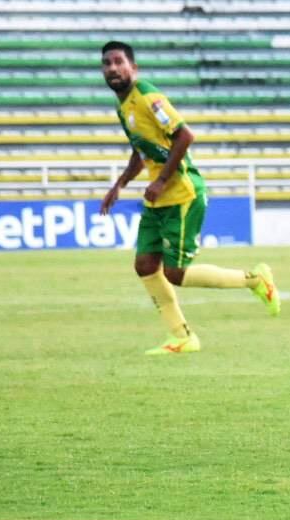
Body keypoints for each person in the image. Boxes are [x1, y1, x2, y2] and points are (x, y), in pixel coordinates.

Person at [97, 41, 278, 354]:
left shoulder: (148, 96)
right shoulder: (123, 106)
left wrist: (161, 180)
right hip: (158, 198)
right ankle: (181, 336)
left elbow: (185, 135)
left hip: (182, 193)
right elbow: (141, 152)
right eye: (107, 63)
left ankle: (255, 280)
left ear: (133, 68)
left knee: (175, 273)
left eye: (118, 62)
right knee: (145, 265)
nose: (112, 68)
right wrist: (119, 185)